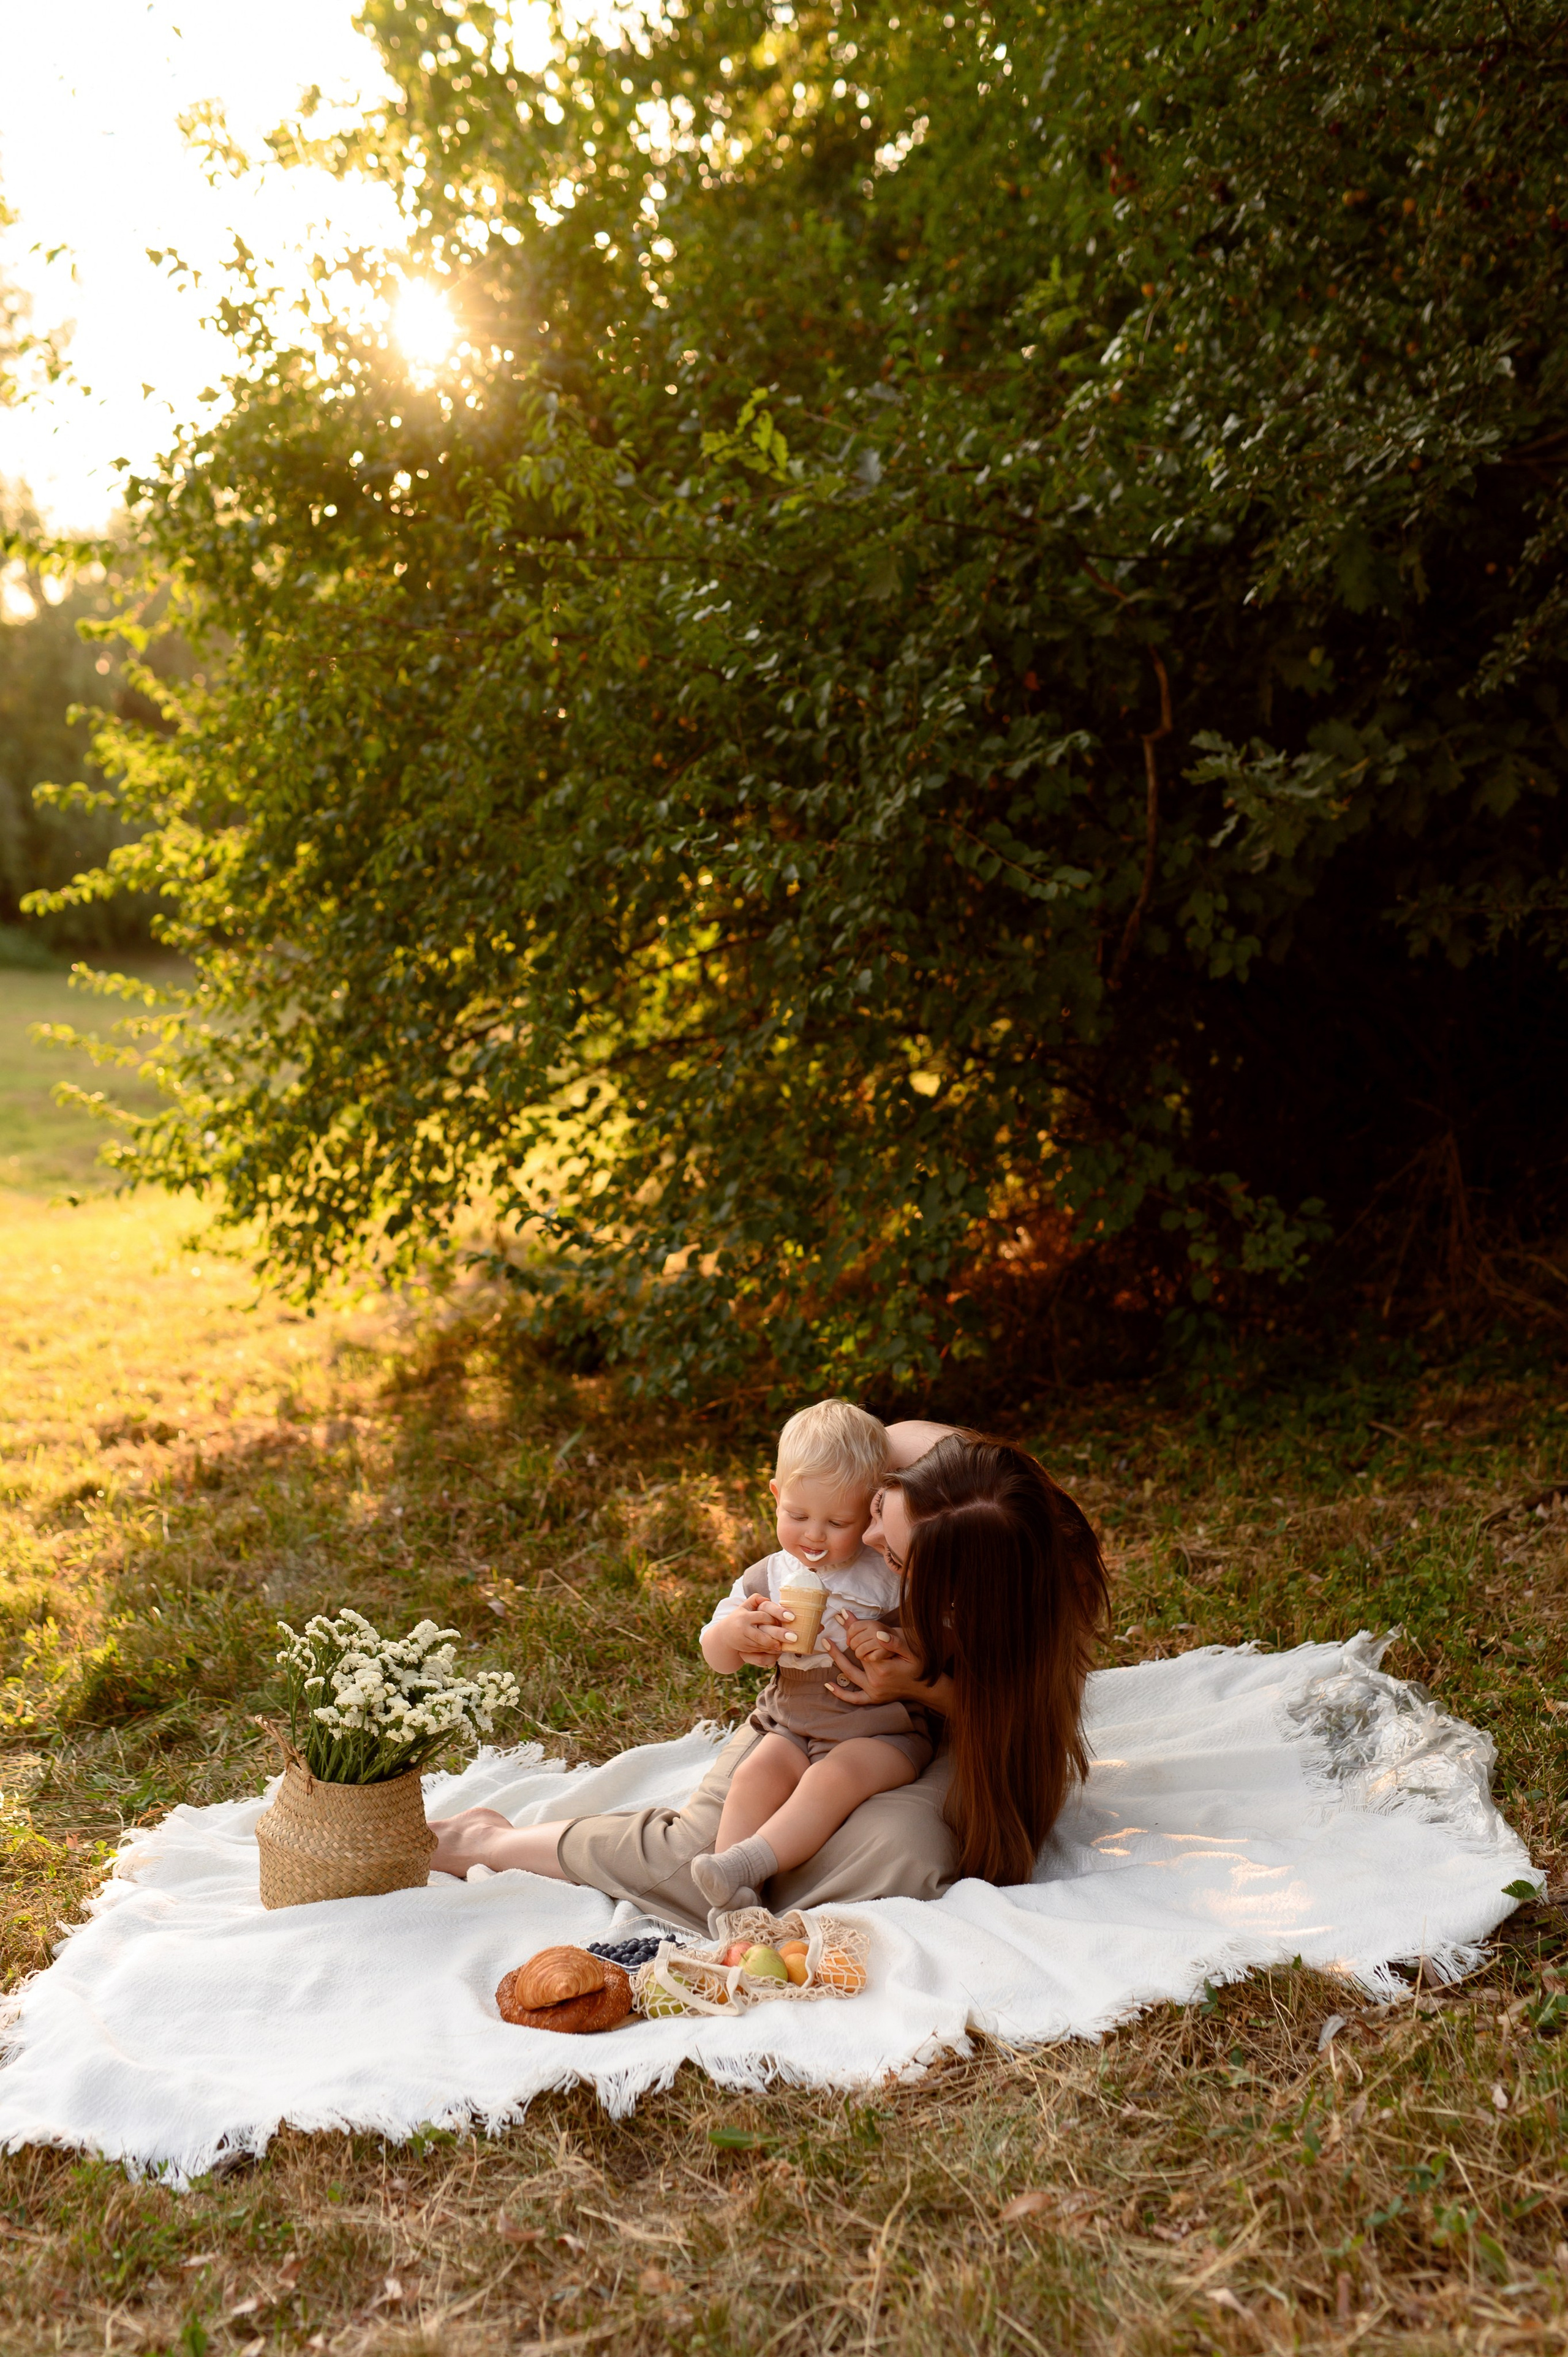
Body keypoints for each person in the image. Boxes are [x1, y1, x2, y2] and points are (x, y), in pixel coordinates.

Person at [427, 1424, 1109, 1925]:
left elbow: (1011, 1723)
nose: (865, 1545)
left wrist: (914, 1687)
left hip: (938, 1722)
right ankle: (495, 1840)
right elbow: (805, 1510)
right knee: (697, 1849)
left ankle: (748, 1881)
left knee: (904, 1853)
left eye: (895, 1559)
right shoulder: (896, 1457)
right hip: (808, 1715)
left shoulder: (1028, 1596)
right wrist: (746, 1638)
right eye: (874, 1511)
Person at [688, 1398, 936, 1912]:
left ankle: (745, 1865)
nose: (815, 1535)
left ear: (871, 1509)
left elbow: (935, 1639)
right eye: (797, 1515)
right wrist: (736, 1634)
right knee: (756, 1773)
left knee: (834, 1776)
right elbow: (716, 1653)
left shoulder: (886, 1572)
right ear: (776, 1496)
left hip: (879, 1729)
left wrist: (893, 1643)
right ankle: (733, 1902)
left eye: (838, 1521)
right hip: (793, 1723)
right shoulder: (769, 1577)